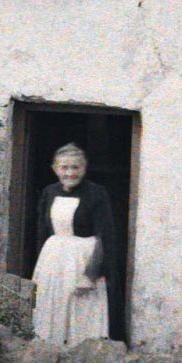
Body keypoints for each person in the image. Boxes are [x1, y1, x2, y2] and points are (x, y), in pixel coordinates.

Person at [32, 142, 118, 345]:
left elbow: (104, 235)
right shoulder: (49, 192)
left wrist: (90, 274)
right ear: (54, 168)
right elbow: (42, 231)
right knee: (54, 305)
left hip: (82, 260)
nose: (69, 173)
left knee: (82, 308)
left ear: (84, 168)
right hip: (54, 259)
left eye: (75, 167)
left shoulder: (97, 193)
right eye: (64, 167)